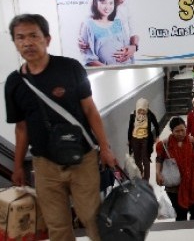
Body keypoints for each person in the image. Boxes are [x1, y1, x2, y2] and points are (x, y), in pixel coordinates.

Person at [5, 14, 118, 240]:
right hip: (45, 165)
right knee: (57, 225)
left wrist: (104, 148)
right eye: (20, 38)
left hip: (83, 158)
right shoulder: (14, 83)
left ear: (47, 39)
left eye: (34, 36)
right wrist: (17, 166)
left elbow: (90, 110)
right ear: (15, 42)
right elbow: (21, 128)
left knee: (92, 217)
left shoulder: (71, 68)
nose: (27, 43)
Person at [155, 116, 194, 221]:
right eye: (177, 131)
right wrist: (158, 173)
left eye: (183, 130)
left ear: (186, 128)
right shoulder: (165, 145)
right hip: (175, 190)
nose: (180, 133)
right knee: (180, 218)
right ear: (171, 131)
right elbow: (159, 159)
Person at [79, 0, 139, 64]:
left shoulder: (128, 8)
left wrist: (134, 47)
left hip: (126, 61)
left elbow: (134, 33)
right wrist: (80, 40)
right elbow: (86, 24)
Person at [127, 97, 160, 181]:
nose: (141, 112)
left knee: (146, 159)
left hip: (146, 139)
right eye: (140, 110)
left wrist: (157, 136)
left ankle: (146, 179)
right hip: (135, 139)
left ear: (146, 108)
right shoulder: (133, 115)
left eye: (143, 110)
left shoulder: (149, 114)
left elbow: (156, 125)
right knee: (137, 159)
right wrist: (129, 140)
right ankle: (140, 173)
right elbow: (130, 128)